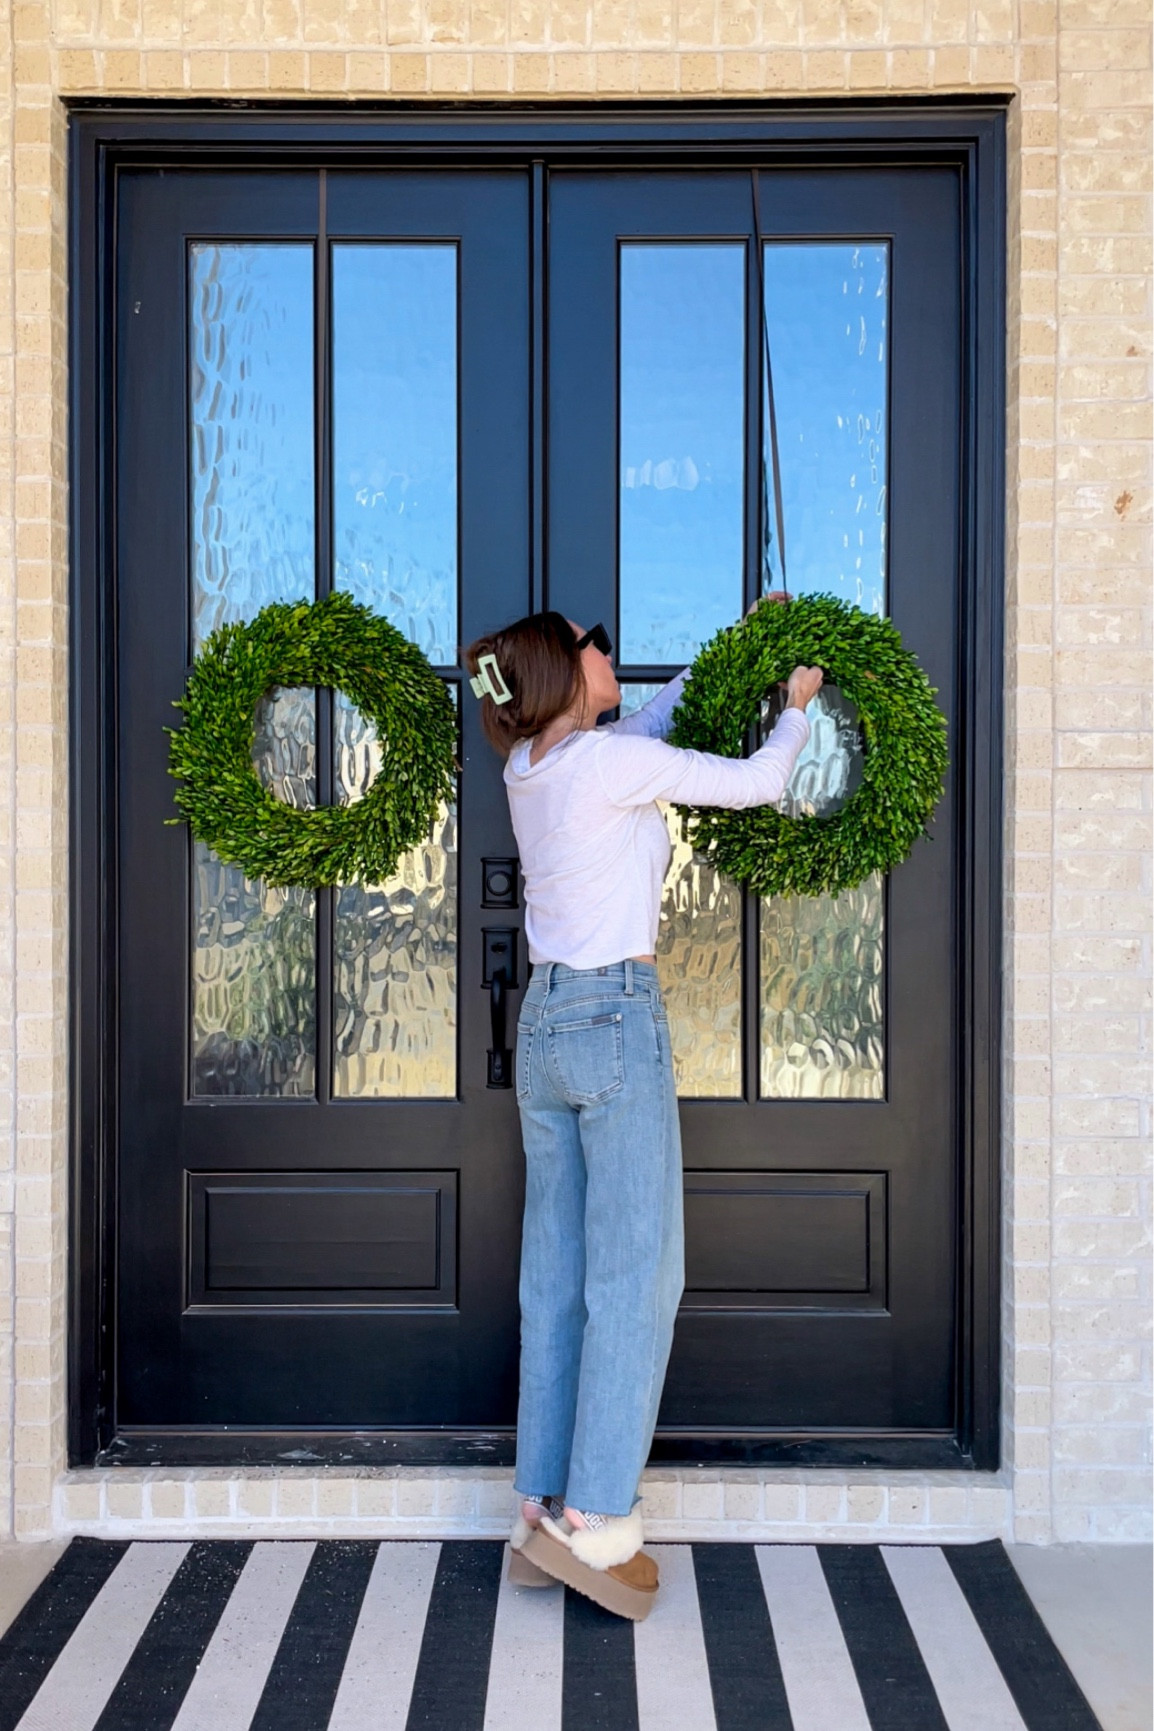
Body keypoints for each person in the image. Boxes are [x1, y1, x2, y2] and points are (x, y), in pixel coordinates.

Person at [464, 604, 823, 1620]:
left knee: (561, 1269)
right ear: (566, 672)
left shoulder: (534, 769)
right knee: (638, 1272)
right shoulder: (602, 768)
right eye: (595, 642)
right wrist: (793, 708)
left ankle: (540, 1502)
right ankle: (596, 1520)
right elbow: (756, 782)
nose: (609, 652)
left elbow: (649, 725)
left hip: (545, 1023)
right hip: (614, 1018)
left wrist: (730, 643)